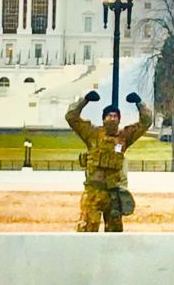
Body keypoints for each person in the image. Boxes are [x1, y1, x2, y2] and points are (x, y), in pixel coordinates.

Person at [65, 89, 153, 232]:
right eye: (109, 116)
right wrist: (85, 100)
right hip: (93, 192)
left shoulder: (124, 137)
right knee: (87, 230)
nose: (112, 119)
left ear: (119, 119)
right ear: (103, 119)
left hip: (114, 194)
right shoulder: (92, 134)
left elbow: (146, 122)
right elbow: (71, 117)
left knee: (114, 234)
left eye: (115, 116)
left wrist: (139, 103)